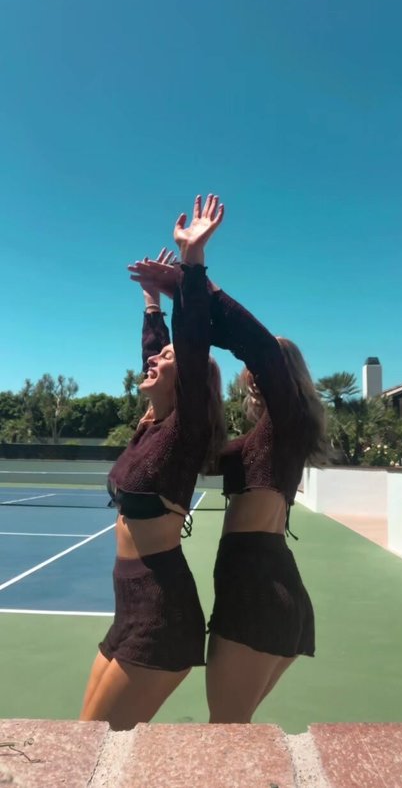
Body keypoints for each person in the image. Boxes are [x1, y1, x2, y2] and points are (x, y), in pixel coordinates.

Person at [130, 231, 327, 723]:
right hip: (254, 585)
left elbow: (256, 347)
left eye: (259, 373)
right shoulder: (259, 440)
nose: (250, 378)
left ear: (282, 374)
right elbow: (179, 396)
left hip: (258, 589)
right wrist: (157, 309)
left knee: (226, 735)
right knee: (236, 731)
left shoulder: (288, 424)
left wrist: (197, 281)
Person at [80, 195, 226, 730]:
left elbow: (189, 346)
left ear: (187, 380)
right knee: (86, 739)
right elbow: (161, 349)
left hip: (161, 615)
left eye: (166, 358)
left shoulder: (184, 434)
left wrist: (191, 265)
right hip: (129, 608)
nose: (153, 359)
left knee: (92, 743)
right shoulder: (152, 429)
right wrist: (150, 304)